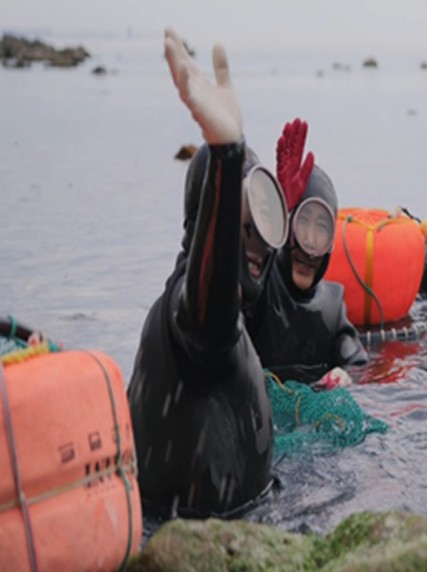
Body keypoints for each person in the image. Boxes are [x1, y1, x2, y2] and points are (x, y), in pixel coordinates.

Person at [127, 28, 285, 517]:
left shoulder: (228, 321)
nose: (255, 245)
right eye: (241, 225)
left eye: (263, 225)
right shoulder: (190, 319)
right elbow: (209, 313)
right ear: (205, 229)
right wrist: (226, 155)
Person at [246, 119, 369, 388]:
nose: (309, 245)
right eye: (303, 223)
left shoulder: (333, 305)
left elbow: (358, 361)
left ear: (331, 244)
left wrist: (346, 375)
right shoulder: (259, 281)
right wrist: (273, 219)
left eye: (321, 228)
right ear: (288, 227)